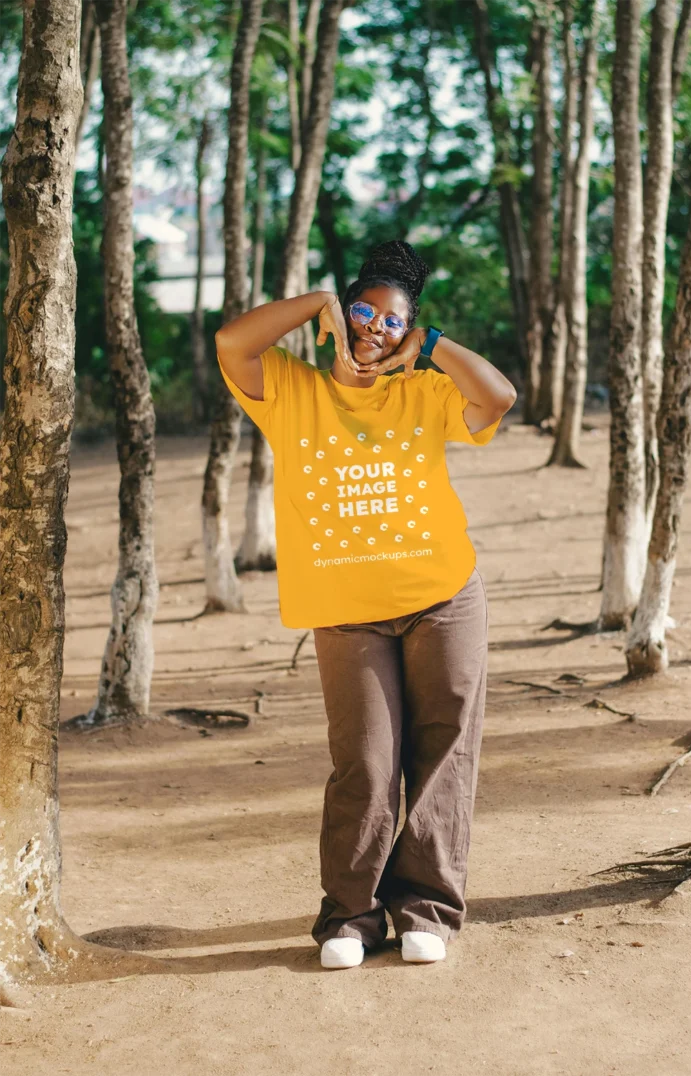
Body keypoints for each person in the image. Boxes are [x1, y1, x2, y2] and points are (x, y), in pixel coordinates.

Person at [215, 240, 516, 969]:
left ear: (408, 330)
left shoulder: (423, 391)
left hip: (442, 597)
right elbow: (232, 341)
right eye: (361, 311)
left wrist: (431, 346)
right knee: (366, 764)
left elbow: (497, 396)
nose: (374, 328)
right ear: (341, 316)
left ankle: (428, 909)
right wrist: (315, 303)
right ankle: (350, 915)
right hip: (347, 612)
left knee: (445, 753)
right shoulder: (292, 391)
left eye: (393, 320)